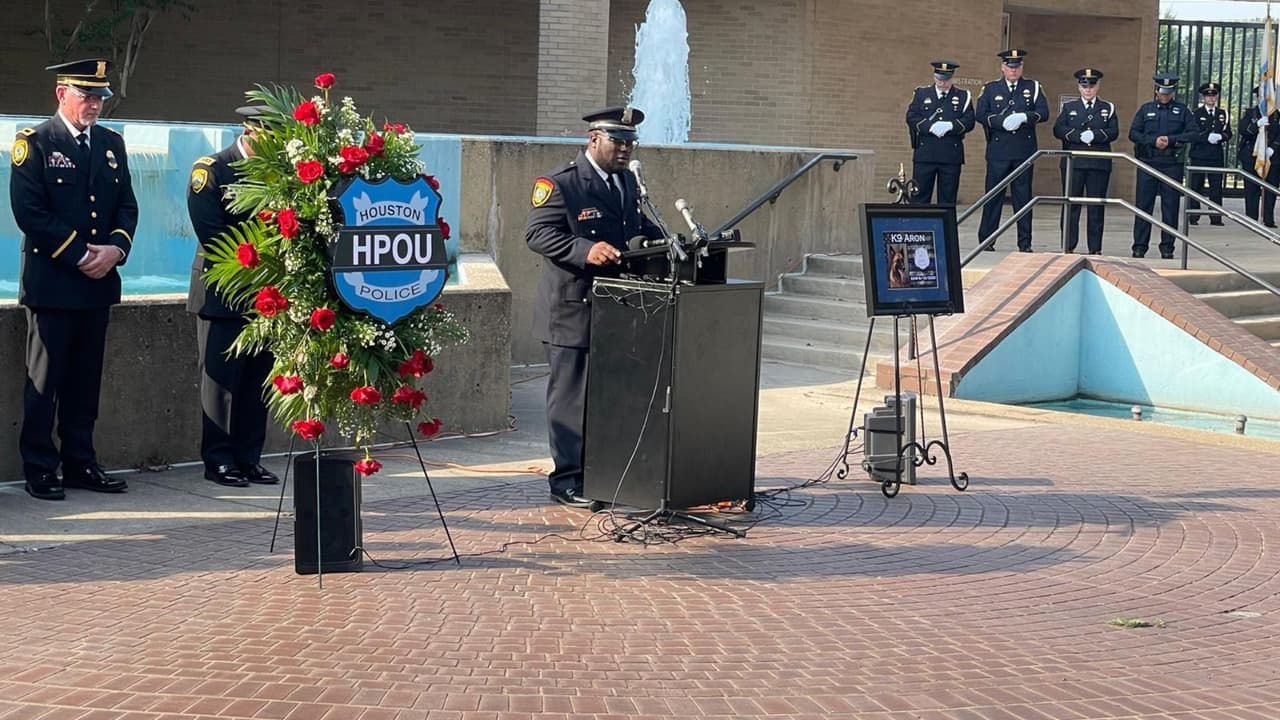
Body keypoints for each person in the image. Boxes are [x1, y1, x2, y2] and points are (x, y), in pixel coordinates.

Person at [8, 59, 137, 501]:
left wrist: (116, 250)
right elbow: (30, 212)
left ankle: (81, 462)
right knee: (45, 382)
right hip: (54, 283)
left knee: (86, 382)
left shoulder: (110, 144)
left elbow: (126, 206)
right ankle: (41, 467)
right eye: (87, 95)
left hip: (98, 283)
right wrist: (82, 253)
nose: (95, 104)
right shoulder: (36, 144)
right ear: (62, 93)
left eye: (100, 96)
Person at [525, 106, 664, 508]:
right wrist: (586, 250)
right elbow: (538, 234)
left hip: (618, 313)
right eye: (618, 141)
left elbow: (641, 232)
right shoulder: (561, 184)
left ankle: (605, 473)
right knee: (572, 400)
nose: (625, 150)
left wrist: (668, 245)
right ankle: (567, 481)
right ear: (593, 139)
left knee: (610, 398)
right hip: (572, 311)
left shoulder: (627, 184)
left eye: (631, 143)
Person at [187, 106, 279, 488]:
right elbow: (212, 236)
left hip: (267, 296)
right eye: (271, 137)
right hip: (223, 293)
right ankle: (219, 459)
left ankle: (248, 456)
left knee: (259, 380)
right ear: (250, 131)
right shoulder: (212, 170)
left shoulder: (278, 173)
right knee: (221, 383)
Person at [976, 49, 1050, 252]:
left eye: (1017, 67)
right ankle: (987, 240)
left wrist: (1025, 117)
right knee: (993, 197)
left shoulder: (1032, 87)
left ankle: (1024, 243)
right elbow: (980, 114)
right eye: (1010, 66)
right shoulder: (991, 89)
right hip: (998, 150)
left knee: (1023, 198)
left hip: (1023, 151)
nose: (1013, 70)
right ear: (1003, 67)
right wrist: (1000, 121)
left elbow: (1044, 112)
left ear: (1022, 68)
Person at [1129, 73, 1198, 259]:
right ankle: (1139, 246)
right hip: (1148, 162)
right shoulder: (1146, 109)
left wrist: (1171, 140)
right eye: (1161, 91)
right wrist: (1152, 141)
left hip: (1171, 163)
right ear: (1156, 90)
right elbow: (1133, 133)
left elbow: (1193, 133)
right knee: (1143, 207)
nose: (1164, 95)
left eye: (1168, 92)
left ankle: (1167, 247)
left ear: (1173, 91)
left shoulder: (1182, 111)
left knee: (1170, 207)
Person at [1052, 68, 1119, 254]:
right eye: (1084, 86)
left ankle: (1095, 248)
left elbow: (1114, 131)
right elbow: (1058, 129)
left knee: (1095, 208)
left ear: (1098, 86)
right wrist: (1078, 136)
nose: (1088, 90)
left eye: (1092, 85)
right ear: (1079, 87)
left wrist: (1095, 135)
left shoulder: (1107, 108)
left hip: (1098, 163)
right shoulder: (1069, 108)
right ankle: (1068, 245)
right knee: (1071, 206)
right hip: (1074, 163)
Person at [904, 60, 975, 205]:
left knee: (948, 199)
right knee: (920, 196)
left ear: (952, 78)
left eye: (946, 79)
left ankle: (946, 228)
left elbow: (969, 121)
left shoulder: (963, 96)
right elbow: (911, 117)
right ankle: (919, 227)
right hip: (925, 153)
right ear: (934, 77)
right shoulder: (921, 94)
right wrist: (929, 126)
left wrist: (950, 125)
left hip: (950, 155)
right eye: (939, 79)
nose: (943, 83)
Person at [1186, 81, 1232, 226]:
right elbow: (1192, 133)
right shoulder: (1195, 113)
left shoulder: (1222, 113)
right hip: (1199, 155)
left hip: (1215, 155)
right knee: (1196, 186)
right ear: (1203, 97)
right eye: (1208, 96)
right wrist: (1206, 138)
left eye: (1213, 96)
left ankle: (1215, 217)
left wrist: (1221, 137)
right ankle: (1194, 216)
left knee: (1216, 188)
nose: (1211, 98)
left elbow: (1228, 132)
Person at [1236, 87, 1280, 228]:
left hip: (1272, 156)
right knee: (1251, 189)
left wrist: (1273, 148)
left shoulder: (1276, 114)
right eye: (1260, 97)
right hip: (1251, 155)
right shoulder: (1250, 113)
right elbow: (1243, 130)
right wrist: (1257, 125)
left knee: (1271, 188)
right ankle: (1251, 219)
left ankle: (1268, 219)